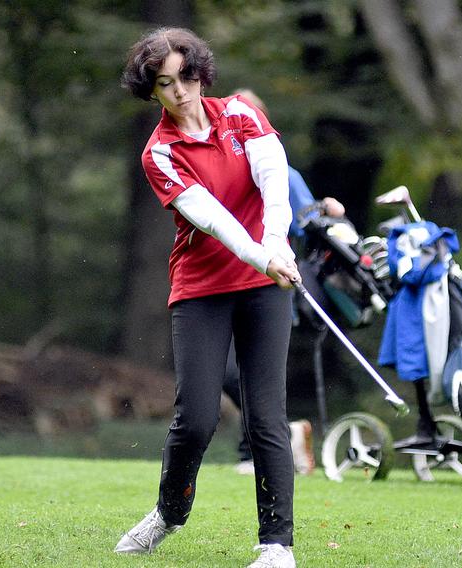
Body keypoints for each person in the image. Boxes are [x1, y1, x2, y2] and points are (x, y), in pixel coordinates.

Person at [116, 28, 300, 568]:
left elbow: (274, 184)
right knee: (196, 419)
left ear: (202, 72)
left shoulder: (243, 115)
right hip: (201, 288)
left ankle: (276, 547)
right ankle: (169, 513)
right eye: (166, 84)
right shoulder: (160, 153)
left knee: (266, 415)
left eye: (187, 76)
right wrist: (262, 254)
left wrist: (276, 245)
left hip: (266, 282)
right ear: (151, 91)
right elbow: (214, 220)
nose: (180, 91)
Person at [222, 89, 345, 477]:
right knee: (226, 373)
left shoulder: (283, 173)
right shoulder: (216, 167)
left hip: (269, 286)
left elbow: (308, 221)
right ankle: (278, 435)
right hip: (220, 285)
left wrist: (326, 209)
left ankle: (252, 452)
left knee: (253, 370)